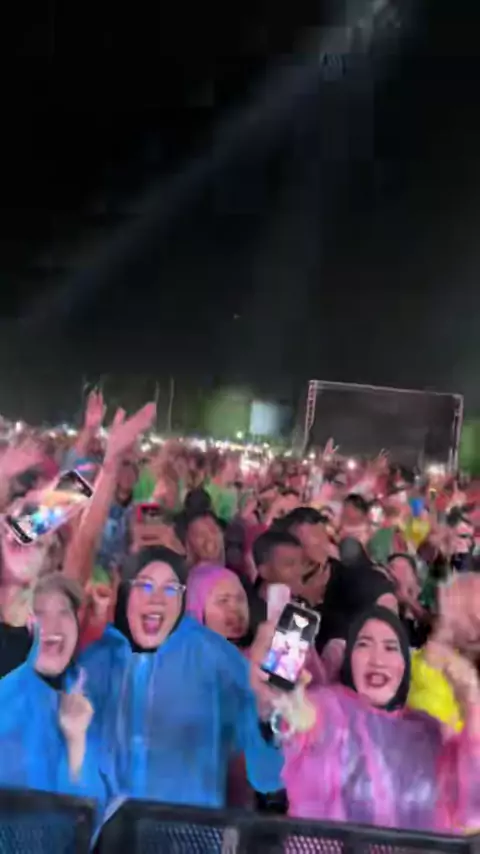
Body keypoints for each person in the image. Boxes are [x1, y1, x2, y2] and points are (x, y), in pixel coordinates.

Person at [79, 545, 282, 808]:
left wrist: (269, 716)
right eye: (145, 586)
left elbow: (268, 776)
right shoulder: (96, 660)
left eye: (171, 589)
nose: (157, 599)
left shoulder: (217, 658)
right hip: (105, 829)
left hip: (188, 829)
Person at [269, 606, 480, 831]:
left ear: (404, 664)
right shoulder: (331, 707)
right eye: (364, 644)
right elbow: (295, 710)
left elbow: (473, 806)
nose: (377, 659)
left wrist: (471, 699)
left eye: (390, 647)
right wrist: (286, 684)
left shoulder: (430, 731)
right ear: (350, 659)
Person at [0, 574, 109, 824]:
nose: (53, 625)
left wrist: (76, 742)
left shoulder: (85, 697)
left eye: (64, 612)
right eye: (38, 613)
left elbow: (93, 819)